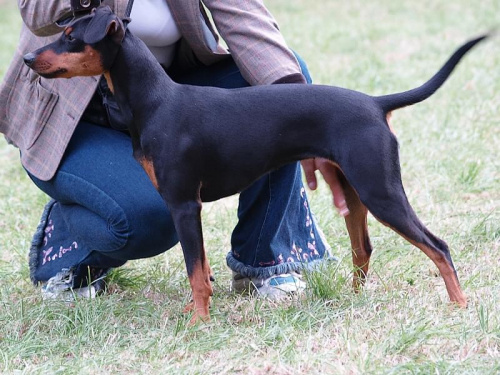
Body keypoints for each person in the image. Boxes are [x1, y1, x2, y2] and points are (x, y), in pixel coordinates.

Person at [0, 0, 344, 301]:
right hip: (76, 120)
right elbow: (35, 10)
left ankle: (264, 258)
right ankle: (70, 237)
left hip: (166, 103)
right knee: (156, 216)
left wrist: (314, 125)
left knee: (285, 80)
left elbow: (244, 14)